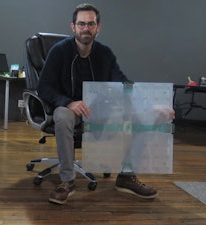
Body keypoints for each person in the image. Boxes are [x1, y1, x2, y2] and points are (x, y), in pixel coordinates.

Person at [37, 3, 173, 205]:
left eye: (90, 24)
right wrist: (68, 102)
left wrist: (149, 106)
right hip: (69, 107)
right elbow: (44, 87)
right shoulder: (59, 52)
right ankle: (67, 181)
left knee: (140, 116)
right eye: (81, 24)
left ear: (98, 28)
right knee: (63, 116)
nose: (86, 28)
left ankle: (126, 176)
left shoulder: (105, 54)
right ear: (73, 27)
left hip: (98, 109)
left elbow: (123, 84)